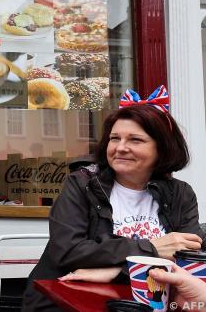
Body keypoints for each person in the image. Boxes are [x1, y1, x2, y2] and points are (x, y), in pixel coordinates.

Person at [22, 86, 206, 311]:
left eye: (135, 140)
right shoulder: (81, 184)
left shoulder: (180, 194)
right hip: (67, 301)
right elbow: (68, 251)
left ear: (163, 148)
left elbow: (189, 260)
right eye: (114, 138)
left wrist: (115, 270)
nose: (120, 148)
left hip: (148, 303)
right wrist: (151, 248)